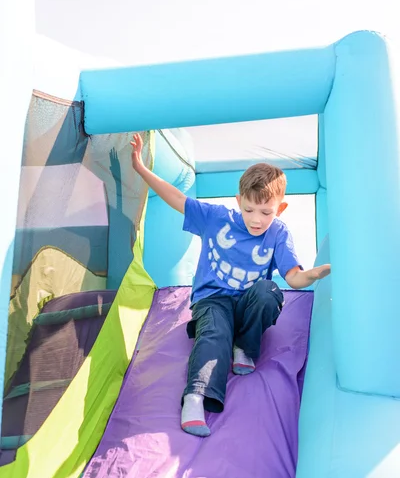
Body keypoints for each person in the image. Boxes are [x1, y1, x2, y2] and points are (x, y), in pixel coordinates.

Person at [130, 133, 330, 438]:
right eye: (249, 209)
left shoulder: (277, 233)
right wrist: (142, 169)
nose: (257, 219)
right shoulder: (216, 219)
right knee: (214, 332)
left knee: (269, 292)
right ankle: (196, 397)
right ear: (239, 201)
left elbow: (292, 277)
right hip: (213, 299)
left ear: (281, 208)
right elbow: (176, 198)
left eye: (266, 212)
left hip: (247, 303)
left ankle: (245, 347)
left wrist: (313, 275)